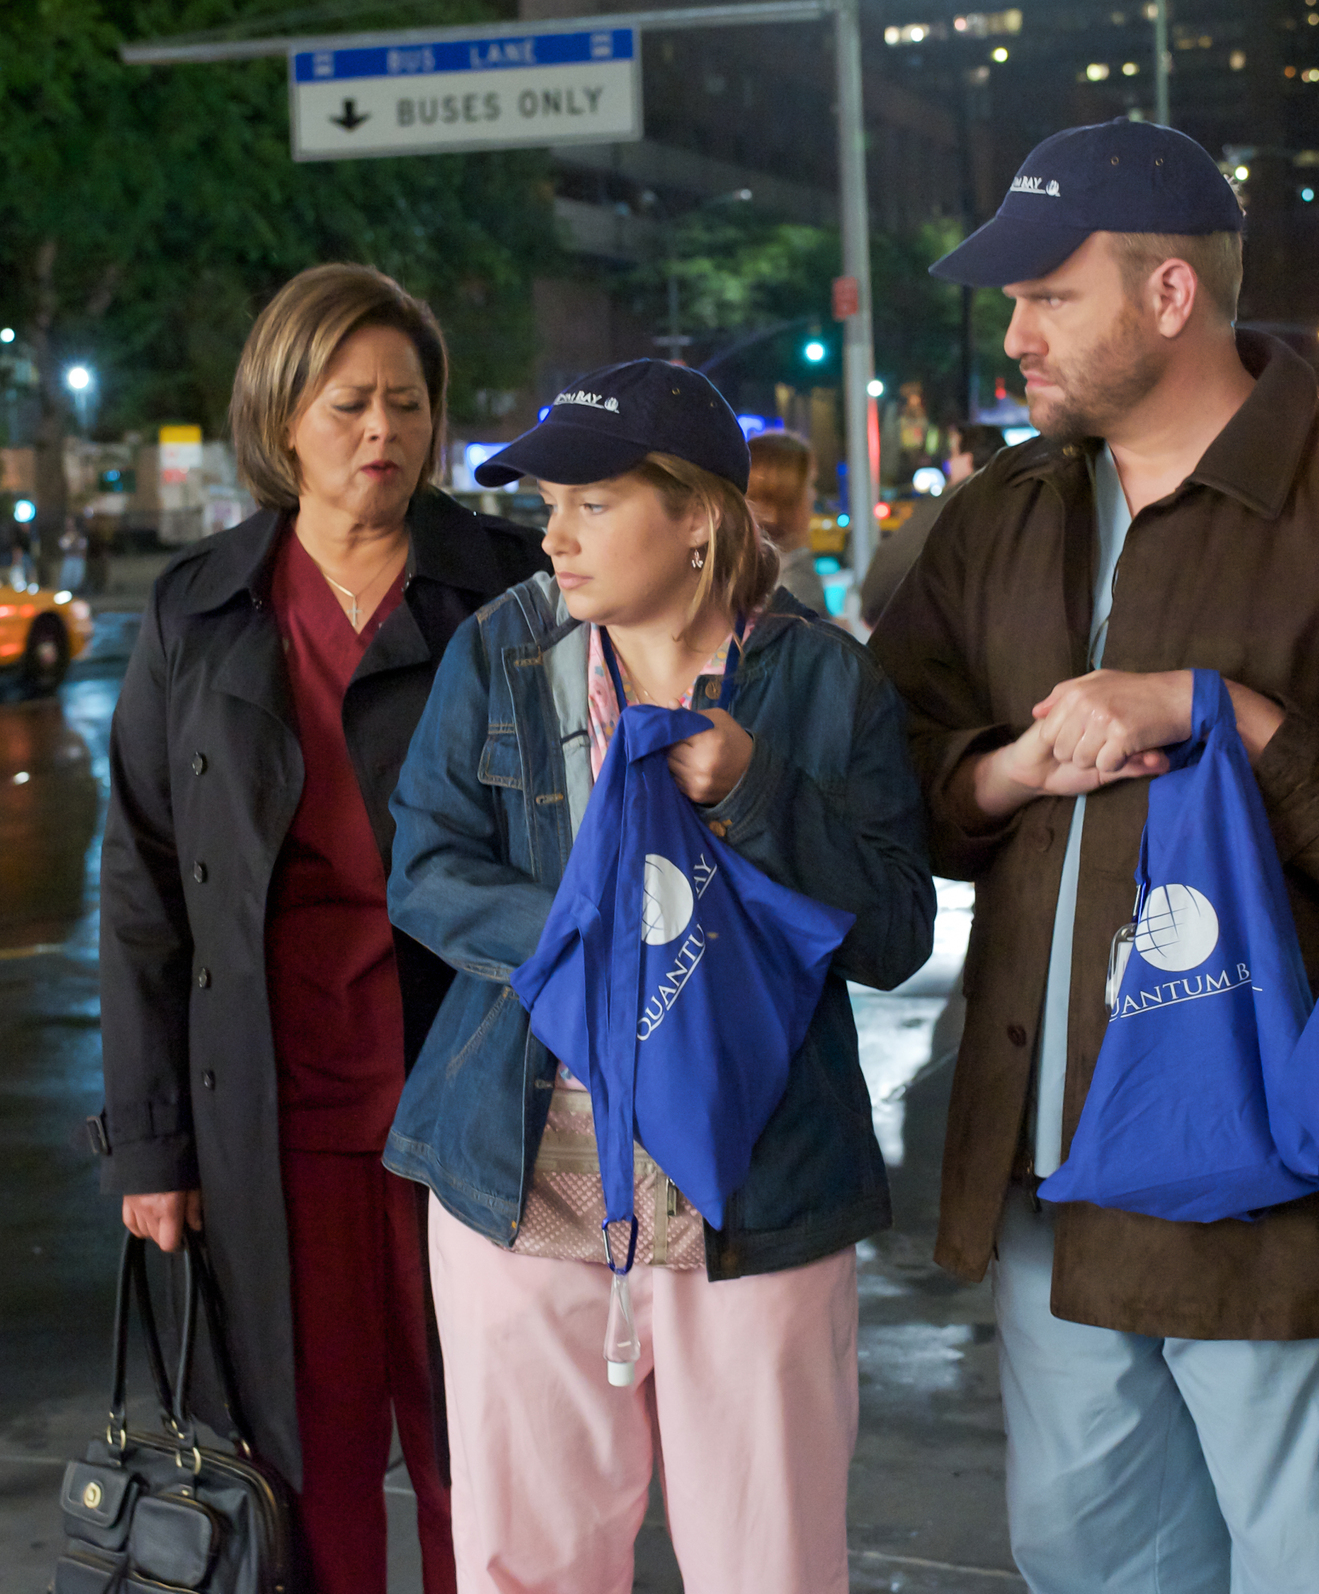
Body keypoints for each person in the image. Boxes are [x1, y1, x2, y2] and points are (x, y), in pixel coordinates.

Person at [867, 120, 1319, 1594]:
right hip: (1054, 1171)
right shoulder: (1004, 514)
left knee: (1312, 1569)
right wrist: (1003, 769)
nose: (1012, 335)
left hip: (1283, 1196)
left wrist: (1228, 715)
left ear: (1167, 297)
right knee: (1086, 1563)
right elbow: (883, 768)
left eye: (1048, 296)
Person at [381, 359, 935, 1593]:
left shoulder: (819, 679)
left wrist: (755, 792)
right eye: (548, 502)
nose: (553, 534)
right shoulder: (505, 653)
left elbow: (895, 928)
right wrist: (597, 934)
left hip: (755, 1188)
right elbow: (422, 864)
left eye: (592, 502)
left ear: (697, 517)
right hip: (517, 1178)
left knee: (768, 1561)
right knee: (527, 1562)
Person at [95, 263, 550, 1594]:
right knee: (309, 1459)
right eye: (349, 403)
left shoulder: (511, 593)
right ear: (281, 418)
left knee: (491, 1445)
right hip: (274, 1104)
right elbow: (144, 890)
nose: (382, 433)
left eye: (407, 403)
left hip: (473, 1092)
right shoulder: (200, 609)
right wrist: (152, 1141)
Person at [859, 421, 1003, 619]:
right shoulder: (1005, 504)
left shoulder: (948, 506)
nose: (949, 464)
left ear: (967, 459)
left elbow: (886, 574)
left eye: (953, 455)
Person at [745, 427, 830, 615]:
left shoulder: (738, 574)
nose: (814, 496)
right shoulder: (796, 584)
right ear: (783, 497)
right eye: (810, 484)